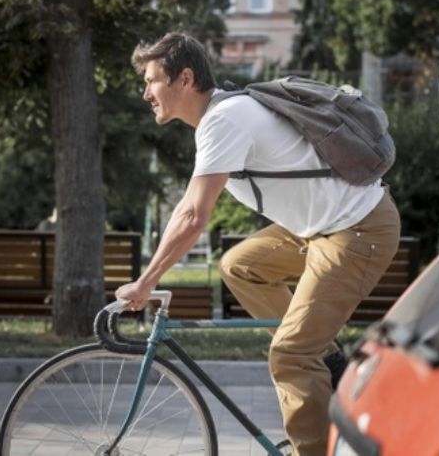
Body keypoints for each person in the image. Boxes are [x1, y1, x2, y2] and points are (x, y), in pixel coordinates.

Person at [116, 32, 401, 455]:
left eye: (153, 80)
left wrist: (145, 282)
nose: (145, 93)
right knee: (239, 267)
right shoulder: (224, 116)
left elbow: (194, 217)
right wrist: (148, 277)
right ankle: (323, 353)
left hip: (357, 232)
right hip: (321, 227)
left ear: (185, 79)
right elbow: (188, 211)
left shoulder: (224, 120)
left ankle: (312, 400)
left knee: (288, 355)